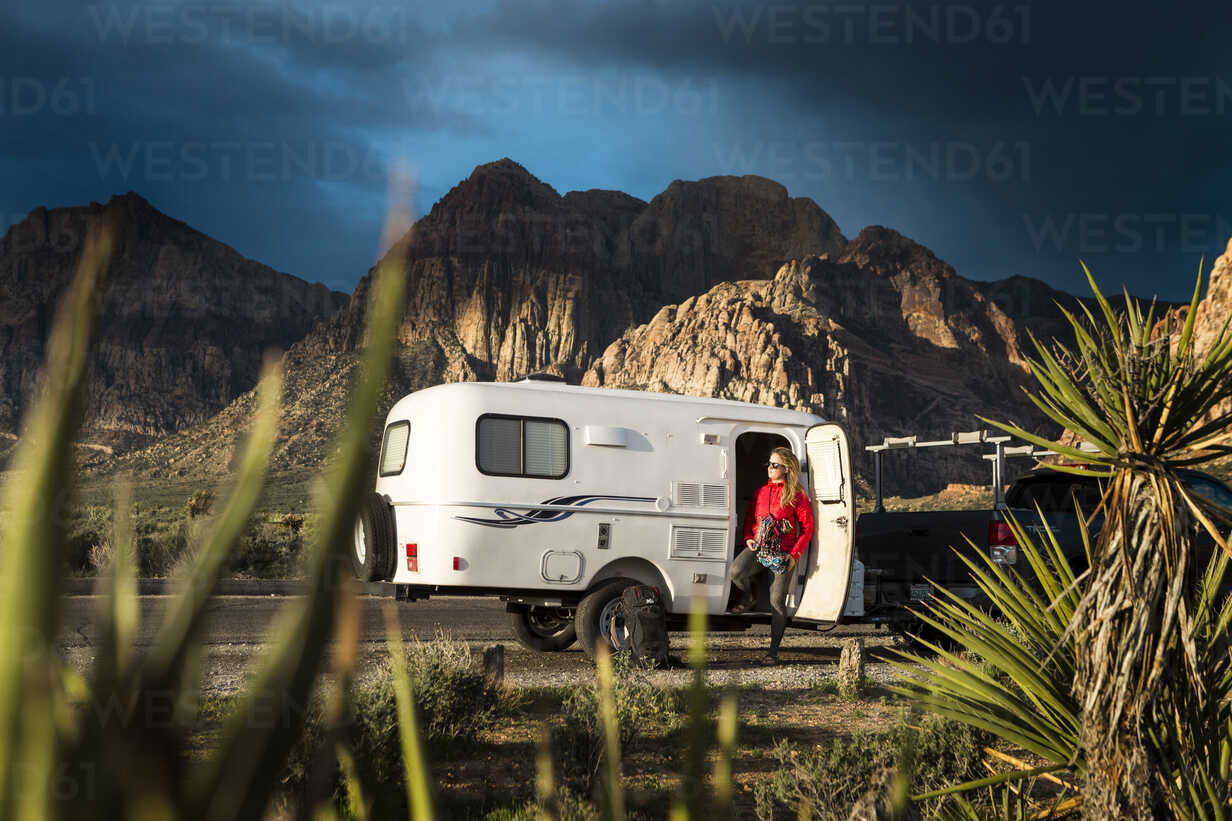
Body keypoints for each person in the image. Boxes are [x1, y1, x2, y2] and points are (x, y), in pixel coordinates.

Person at [728, 446, 814, 666]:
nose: (769, 468)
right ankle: (750, 596)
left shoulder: (796, 494)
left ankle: (772, 653)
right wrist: (748, 537)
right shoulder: (761, 491)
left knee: (777, 602)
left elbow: (807, 529)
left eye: (774, 465)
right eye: (768, 464)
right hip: (758, 548)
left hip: (782, 555)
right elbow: (750, 519)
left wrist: (794, 555)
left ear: (786, 469)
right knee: (736, 571)